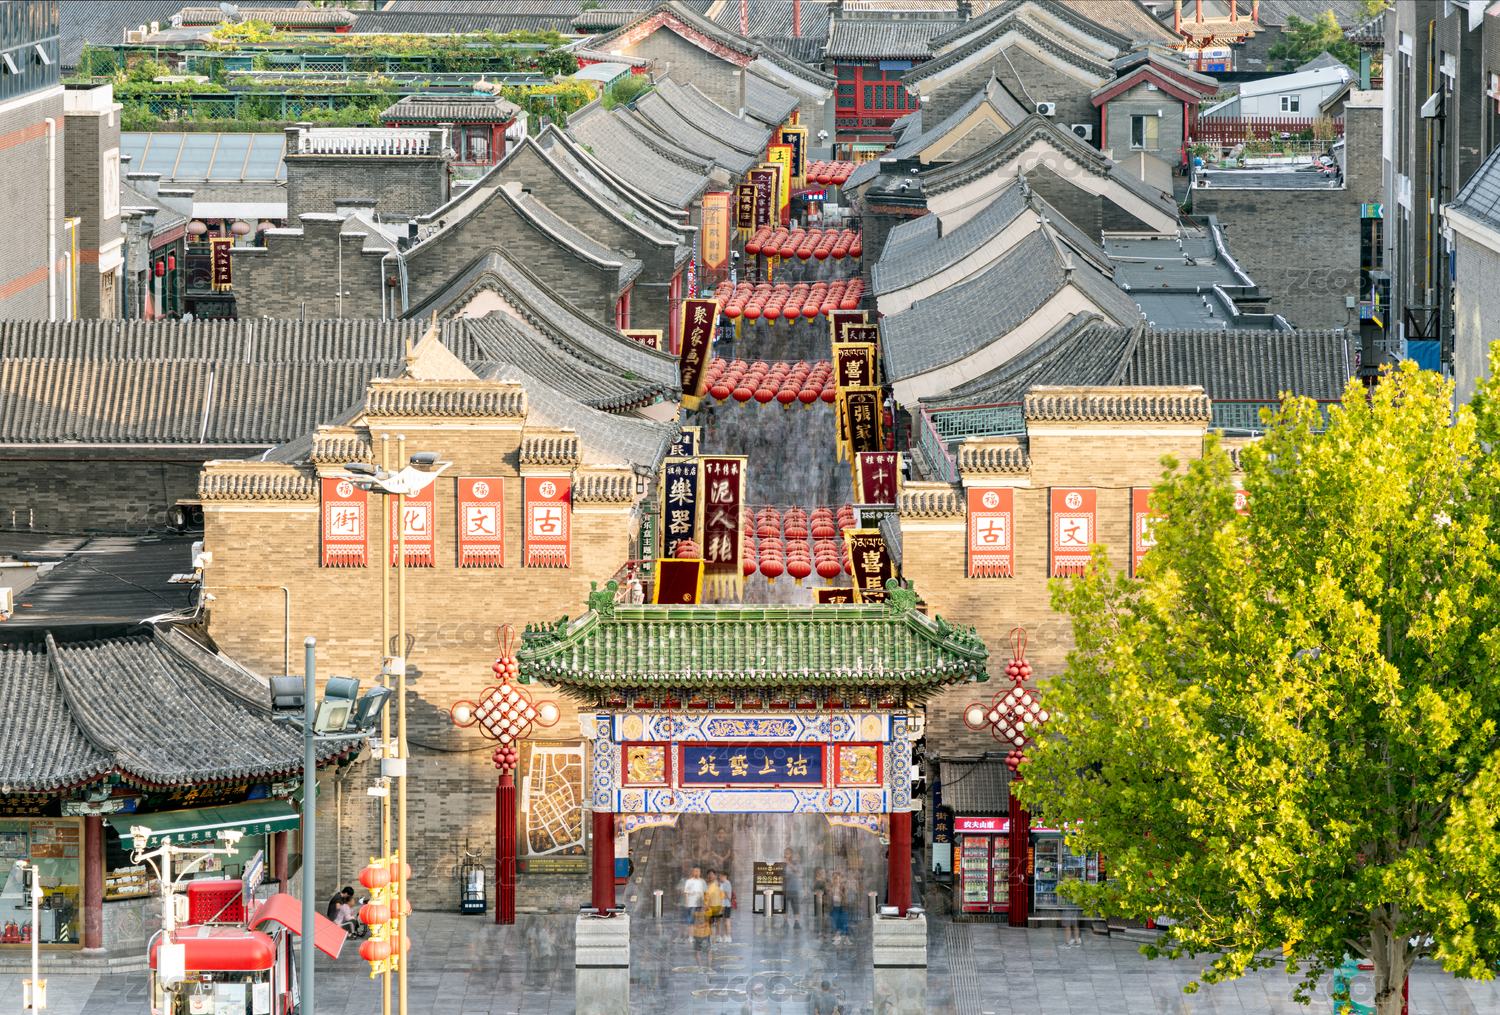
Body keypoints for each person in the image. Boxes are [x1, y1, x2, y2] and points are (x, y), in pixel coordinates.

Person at [782, 848, 803, 929]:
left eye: (788, 853)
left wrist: (789, 864)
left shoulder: (796, 863)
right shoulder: (782, 864)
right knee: (785, 906)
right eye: (785, 853)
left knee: (795, 906)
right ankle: (785, 921)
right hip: (785, 888)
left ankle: (796, 922)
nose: (786, 854)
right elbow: (779, 874)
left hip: (794, 887)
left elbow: (799, 872)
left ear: (791, 854)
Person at [690, 903, 713, 972]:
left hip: (697, 934)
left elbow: (692, 912)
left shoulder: (695, 914)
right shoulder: (706, 914)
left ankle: (700, 967)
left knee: (698, 952)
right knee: (708, 952)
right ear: (703, 908)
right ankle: (709, 967)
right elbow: (710, 910)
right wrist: (706, 904)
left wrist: (694, 906)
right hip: (705, 934)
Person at [704, 871, 725, 944]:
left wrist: (723, 905)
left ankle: (718, 936)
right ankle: (712, 936)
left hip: (718, 905)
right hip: (710, 906)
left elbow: (722, 895)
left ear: (715, 876)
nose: (710, 876)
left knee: (718, 921)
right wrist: (706, 905)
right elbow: (705, 896)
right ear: (707, 875)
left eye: (712, 874)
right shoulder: (706, 885)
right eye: (709, 874)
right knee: (711, 922)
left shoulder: (718, 884)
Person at [715, 869, 734, 943]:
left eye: (721, 876)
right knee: (721, 920)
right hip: (720, 904)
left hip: (726, 904)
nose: (720, 878)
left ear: (725, 876)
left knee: (726, 920)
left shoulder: (727, 883)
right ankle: (721, 935)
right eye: (719, 876)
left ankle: (728, 936)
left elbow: (727, 894)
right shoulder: (720, 883)